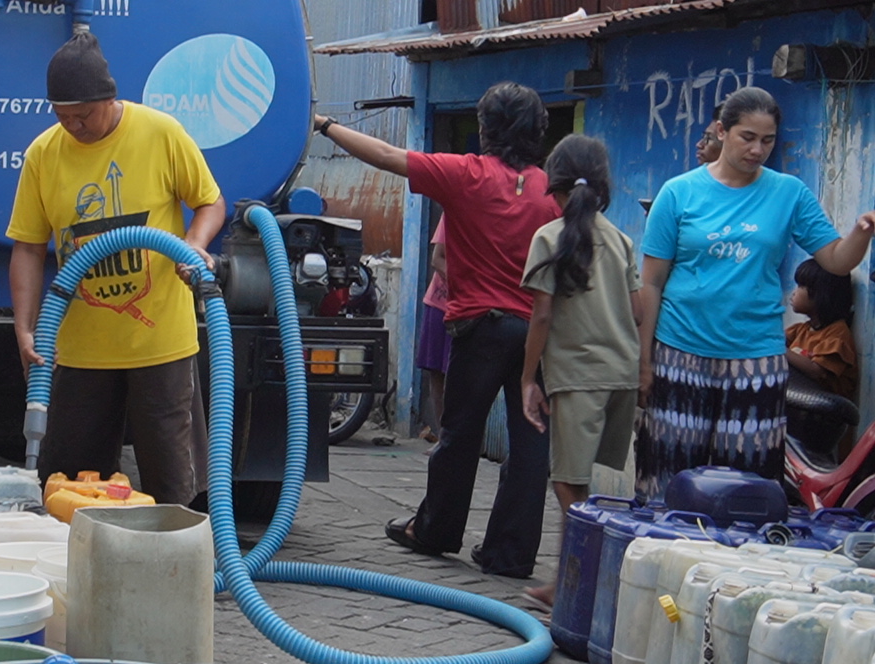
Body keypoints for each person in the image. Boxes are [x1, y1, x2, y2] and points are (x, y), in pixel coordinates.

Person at [315, 81, 561, 578]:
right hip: (537, 331)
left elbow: (385, 155)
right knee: (532, 441)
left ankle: (436, 530)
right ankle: (510, 555)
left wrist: (324, 125)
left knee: (460, 435)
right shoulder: (551, 190)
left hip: (480, 328)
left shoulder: (467, 173)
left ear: (487, 129)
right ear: (538, 131)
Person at [6, 32, 226, 506]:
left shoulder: (160, 133)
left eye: (83, 115)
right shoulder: (44, 155)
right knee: (69, 487)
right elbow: (27, 247)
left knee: (172, 486)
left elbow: (209, 201)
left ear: (110, 98)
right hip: (80, 349)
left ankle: (175, 572)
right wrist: (24, 329)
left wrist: (194, 244)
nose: (73, 127)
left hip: (160, 344)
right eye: (63, 117)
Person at [637, 86, 875, 500]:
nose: (758, 149)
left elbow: (836, 260)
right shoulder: (678, 194)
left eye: (768, 140)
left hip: (755, 359)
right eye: (748, 137)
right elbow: (652, 284)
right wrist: (643, 362)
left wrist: (861, 232)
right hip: (679, 352)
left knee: (746, 484)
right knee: (669, 475)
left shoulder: (789, 193)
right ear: (721, 130)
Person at [518, 134, 641, 606]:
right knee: (582, 481)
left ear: (555, 185)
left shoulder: (549, 238)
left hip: (578, 375)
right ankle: (569, 581)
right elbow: (636, 312)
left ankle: (593, 577)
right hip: (620, 374)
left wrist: (529, 378)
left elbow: (542, 317)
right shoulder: (622, 239)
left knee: (568, 481)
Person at [785, 258, 857, 399]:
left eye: (800, 286)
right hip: (802, 402)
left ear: (820, 293)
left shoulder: (837, 335)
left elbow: (816, 371)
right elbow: (774, 339)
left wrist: (779, 349)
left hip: (825, 412)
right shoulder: (802, 330)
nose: (794, 293)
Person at [415, 214, 450, 445]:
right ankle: (442, 438)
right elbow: (437, 259)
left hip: (472, 308)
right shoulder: (452, 212)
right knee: (436, 372)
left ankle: (453, 440)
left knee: (459, 375)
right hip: (440, 304)